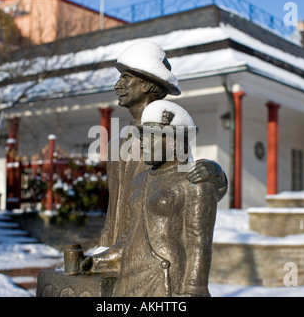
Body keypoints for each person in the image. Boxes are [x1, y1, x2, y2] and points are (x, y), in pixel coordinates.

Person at [98, 41, 228, 250]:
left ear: (148, 84)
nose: (117, 86)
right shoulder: (117, 144)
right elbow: (113, 208)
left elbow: (190, 186)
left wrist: (216, 176)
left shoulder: (168, 138)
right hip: (113, 251)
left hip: (151, 255)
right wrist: (104, 248)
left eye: (126, 77)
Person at [84, 100, 221, 297]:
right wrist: (96, 262)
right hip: (130, 278)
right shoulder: (140, 181)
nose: (142, 145)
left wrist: (194, 289)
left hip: (166, 279)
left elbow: (199, 241)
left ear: (174, 142)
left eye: (150, 139)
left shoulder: (194, 181)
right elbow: (130, 240)